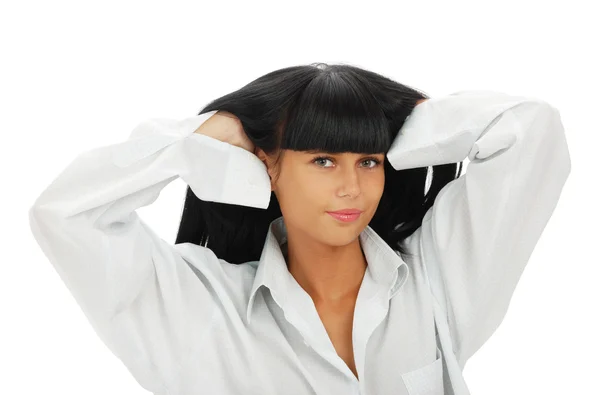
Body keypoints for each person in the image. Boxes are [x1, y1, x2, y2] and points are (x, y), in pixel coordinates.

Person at [28, 62, 571, 395]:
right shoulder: (199, 311)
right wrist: (200, 139)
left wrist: (406, 122)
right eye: (323, 161)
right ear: (267, 166)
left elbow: (531, 131)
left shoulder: (438, 282)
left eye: (369, 161)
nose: (352, 189)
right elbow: (66, 215)